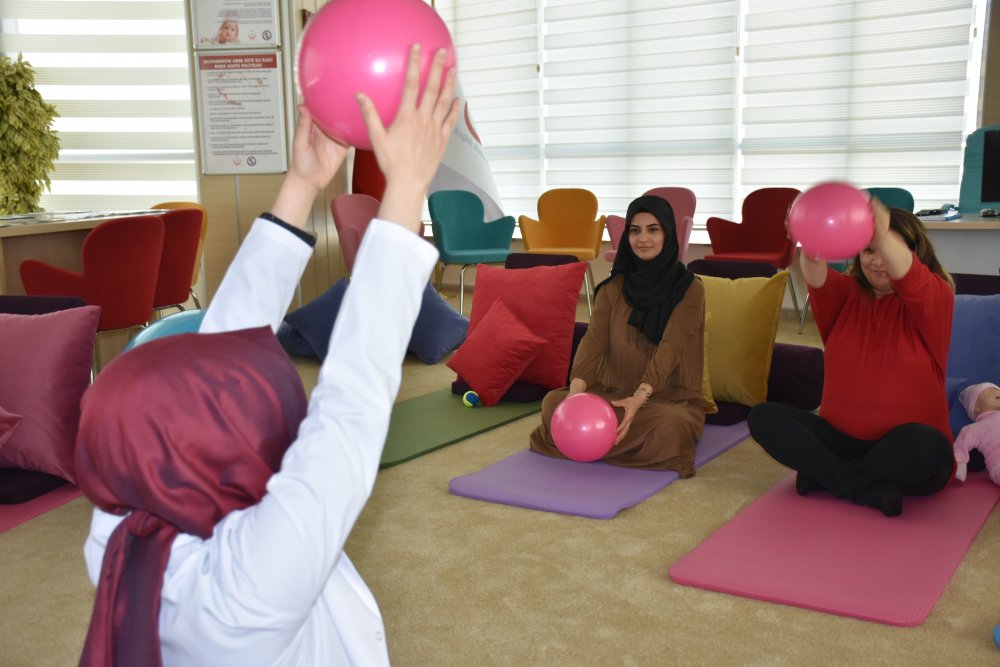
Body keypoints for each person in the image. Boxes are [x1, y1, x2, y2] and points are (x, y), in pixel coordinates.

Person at [77, 45, 459, 666]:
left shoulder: (116, 531)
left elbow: (223, 340)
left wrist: (301, 184)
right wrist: (407, 188)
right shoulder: (250, 585)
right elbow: (350, 400)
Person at [748, 200, 956, 517]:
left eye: (888, 250)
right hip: (841, 442)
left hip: (905, 451)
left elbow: (910, 275)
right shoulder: (845, 294)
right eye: (869, 250)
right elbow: (816, 270)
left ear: (915, 254)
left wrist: (883, 234)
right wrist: (809, 241)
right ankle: (860, 489)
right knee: (764, 417)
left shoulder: (936, 297)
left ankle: (826, 477)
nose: (877, 261)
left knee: (929, 446)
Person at [528, 195, 706, 472]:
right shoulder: (612, 288)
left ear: (668, 234)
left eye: (653, 229)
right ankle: (605, 439)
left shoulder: (690, 289)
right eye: (635, 231)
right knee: (554, 402)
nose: (643, 238)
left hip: (663, 397)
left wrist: (638, 398)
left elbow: (671, 347)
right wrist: (575, 392)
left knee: (673, 426)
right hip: (610, 391)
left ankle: (592, 442)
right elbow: (593, 339)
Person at [953, 382, 1000, 485]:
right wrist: (959, 467)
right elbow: (961, 446)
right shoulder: (975, 429)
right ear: (976, 408)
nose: (997, 393)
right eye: (989, 393)